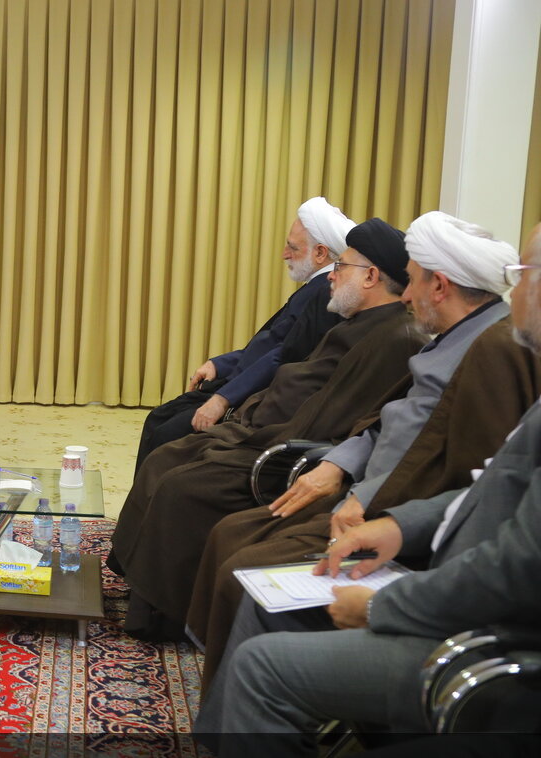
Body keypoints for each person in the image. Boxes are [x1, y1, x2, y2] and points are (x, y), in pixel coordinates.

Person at [194, 222, 541, 751]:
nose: (514, 291)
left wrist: (383, 600)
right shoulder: (460, 338)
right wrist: (398, 523)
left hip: (479, 637)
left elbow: (509, 555)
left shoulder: (495, 349)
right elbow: (485, 486)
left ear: (439, 285)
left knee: (253, 591)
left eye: (525, 273)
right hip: (397, 517)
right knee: (249, 567)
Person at [111, 219, 424, 640]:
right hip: (271, 427)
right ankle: (139, 588)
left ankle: (164, 615)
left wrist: (253, 427)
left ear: (370, 277)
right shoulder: (360, 322)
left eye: (341, 267)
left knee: (181, 487)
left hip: (289, 448)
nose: (331, 275)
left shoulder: (394, 337)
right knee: (166, 455)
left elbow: (337, 414)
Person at [136, 197, 353, 469]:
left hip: (252, 399)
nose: (284, 254)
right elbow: (268, 343)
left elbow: (283, 356)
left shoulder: (323, 294)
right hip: (238, 383)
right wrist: (219, 364)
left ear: (320, 253)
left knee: (164, 436)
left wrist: (223, 398)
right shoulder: (315, 288)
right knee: (159, 420)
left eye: (292, 247)